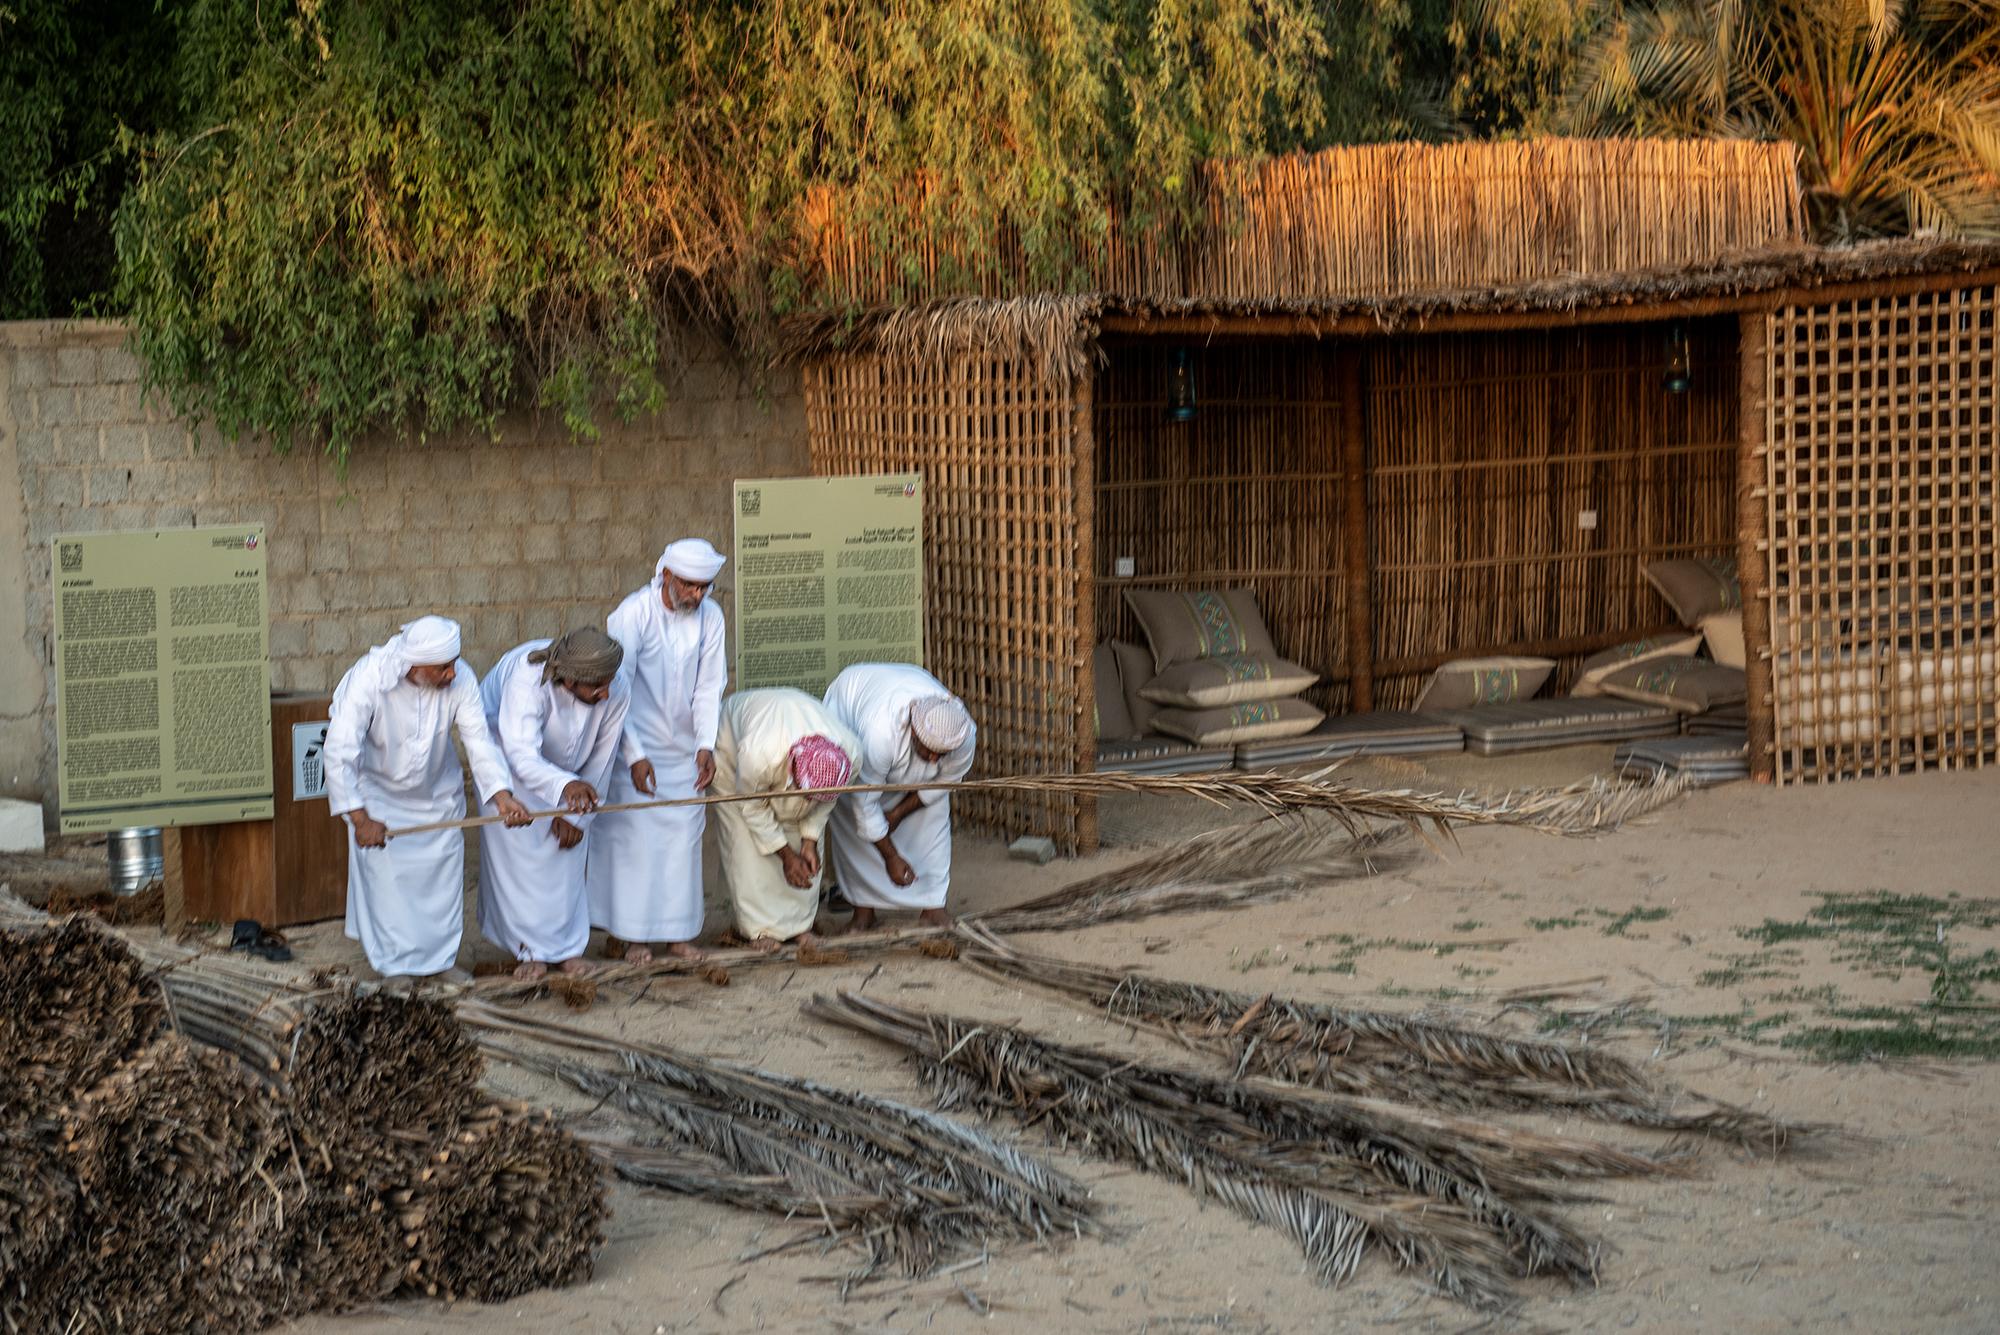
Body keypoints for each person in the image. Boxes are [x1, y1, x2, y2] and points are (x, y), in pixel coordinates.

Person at [324, 616, 532, 984]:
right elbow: (340, 750)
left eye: (453, 664)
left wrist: (502, 796)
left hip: (438, 795)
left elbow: (478, 739)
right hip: (379, 798)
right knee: (389, 888)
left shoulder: (461, 677)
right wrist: (359, 819)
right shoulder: (369, 678)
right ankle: (394, 969)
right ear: (413, 666)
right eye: (442, 668)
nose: (453, 673)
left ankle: (439, 962)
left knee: (442, 885)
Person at [586, 538, 727, 964]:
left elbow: (709, 685)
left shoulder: (711, 618)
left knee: (682, 844)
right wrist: (634, 755)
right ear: (665, 575)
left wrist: (705, 744)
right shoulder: (633, 614)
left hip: (684, 752)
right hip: (636, 748)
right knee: (637, 846)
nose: (697, 595)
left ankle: (680, 935)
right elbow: (616, 692)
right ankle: (633, 939)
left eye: (704, 587)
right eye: (688, 585)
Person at [476, 629, 629, 982]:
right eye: (597, 687)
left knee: (567, 857)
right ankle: (527, 950)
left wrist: (577, 815)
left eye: (609, 683)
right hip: (509, 763)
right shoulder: (527, 681)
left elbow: (602, 759)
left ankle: (567, 950)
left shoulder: (615, 687)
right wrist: (564, 787)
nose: (606, 692)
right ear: (571, 678)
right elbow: (520, 753)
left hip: (571, 775)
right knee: (521, 861)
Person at [821, 664, 977, 933]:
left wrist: (897, 814)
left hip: (897, 693)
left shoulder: (963, 736)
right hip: (852, 706)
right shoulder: (880, 733)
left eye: (942, 754)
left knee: (934, 816)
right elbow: (863, 804)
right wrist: (891, 857)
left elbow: (945, 782)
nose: (934, 760)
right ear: (913, 732)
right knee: (850, 814)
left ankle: (933, 908)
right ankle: (863, 912)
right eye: (929, 751)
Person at [710, 687, 860, 952]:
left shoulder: (850, 754)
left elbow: (826, 801)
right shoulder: (759, 754)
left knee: (807, 855)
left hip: (785, 734)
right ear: (793, 768)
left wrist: (810, 840)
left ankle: (800, 926)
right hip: (732, 754)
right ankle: (759, 931)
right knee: (747, 844)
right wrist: (787, 857)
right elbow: (751, 805)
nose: (811, 802)